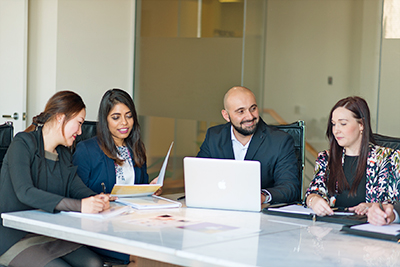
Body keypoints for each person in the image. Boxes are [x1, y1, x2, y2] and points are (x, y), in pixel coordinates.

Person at [0, 91, 109, 267]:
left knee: (94, 263)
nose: (80, 131)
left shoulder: (64, 154)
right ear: (60, 118)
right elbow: (25, 192)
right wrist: (80, 206)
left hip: (47, 233)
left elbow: (77, 188)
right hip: (13, 237)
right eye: (79, 123)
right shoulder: (22, 143)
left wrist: (98, 199)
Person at [73, 88, 157, 265]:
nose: (124, 123)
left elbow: (139, 190)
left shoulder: (136, 148)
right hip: (100, 228)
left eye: (129, 116)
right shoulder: (87, 150)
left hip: (132, 223)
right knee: (142, 255)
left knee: (161, 247)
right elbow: (75, 194)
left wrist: (151, 190)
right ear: (105, 120)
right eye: (116, 117)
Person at [197, 86, 300, 203]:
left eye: (253, 108)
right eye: (241, 111)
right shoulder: (214, 136)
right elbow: (199, 177)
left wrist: (262, 196)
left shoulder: (280, 141)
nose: (250, 116)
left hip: (259, 215)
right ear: (226, 115)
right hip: (218, 207)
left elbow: (290, 187)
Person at [304, 96, 400, 216]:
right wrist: (313, 200)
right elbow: (313, 191)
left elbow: (395, 204)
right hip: (331, 228)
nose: (336, 130)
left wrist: (373, 207)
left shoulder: (388, 158)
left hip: (371, 228)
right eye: (333, 124)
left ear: (361, 125)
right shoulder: (326, 158)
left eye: (343, 124)